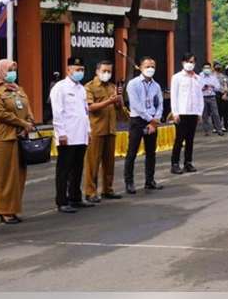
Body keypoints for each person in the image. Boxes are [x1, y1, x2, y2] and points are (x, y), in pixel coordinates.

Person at [0, 59, 35, 225]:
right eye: (9, 70)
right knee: (3, 176)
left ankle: (13, 208)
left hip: (20, 136)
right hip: (2, 137)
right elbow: (0, 113)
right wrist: (23, 124)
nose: (12, 73)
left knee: (19, 174)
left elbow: (27, 108)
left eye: (13, 70)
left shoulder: (18, 89)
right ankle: (4, 210)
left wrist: (29, 123)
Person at [50, 57, 92, 213]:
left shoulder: (81, 88)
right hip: (67, 135)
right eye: (76, 69)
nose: (79, 72)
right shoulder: (60, 88)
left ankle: (75, 197)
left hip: (81, 134)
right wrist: (61, 133)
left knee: (78, 167)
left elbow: (85, 112)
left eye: (81, 69)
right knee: (64, 169)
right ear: (68, 70)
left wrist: (88, 131)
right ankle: (62, 200)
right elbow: (57, 112)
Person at [83, 60, 124, 202]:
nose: (107, 74)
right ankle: (90, 192)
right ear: (97, 71)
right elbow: (90, 107)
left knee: (109, 163)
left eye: (109, 71)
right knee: (93, 163)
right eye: (104, 71)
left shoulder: (113, 87)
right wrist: (109, 101)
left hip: (110, 129)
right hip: (96, 129)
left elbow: (119, 109)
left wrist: (119, 102)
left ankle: (108, 189)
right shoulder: (89, 87)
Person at [123, 57, 164, 194]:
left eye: (153, 66)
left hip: (153, 121)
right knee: (132, 152)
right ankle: (129, 182)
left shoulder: (156, 85)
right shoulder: (133, 84)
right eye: (147, 66)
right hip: (138, 120)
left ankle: (150, 180)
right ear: (140, 68)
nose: (150, 69)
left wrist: (156, 118)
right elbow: (136, 105)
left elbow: (159, 103)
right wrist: (150, 119)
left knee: (151, 152)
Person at [170, 53, 203, 174]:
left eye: (193, 62)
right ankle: (174, 164)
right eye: (188, 61)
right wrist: (175, 112)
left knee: (190, 139)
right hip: (181, 112)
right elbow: (174, 96)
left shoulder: (197, 78)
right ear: (183, 62)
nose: (190, 64)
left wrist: (199, 112)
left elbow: (200, 96)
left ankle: (188, 162)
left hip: (193, 112)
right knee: (179, 139)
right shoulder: (177, 77)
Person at [199, 61, 223, 136]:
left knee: (216, 114)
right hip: (203, 97)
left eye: (208, 68)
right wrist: (204, 87)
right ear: (202, 69)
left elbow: (218, 87)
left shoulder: (213, 77)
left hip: (212, 97)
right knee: (205, 115)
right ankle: (206, 130)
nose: (207, 69)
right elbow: (197, 87)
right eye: (205, 68)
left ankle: (219, 129)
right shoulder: (199, 77)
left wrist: (213, 86)